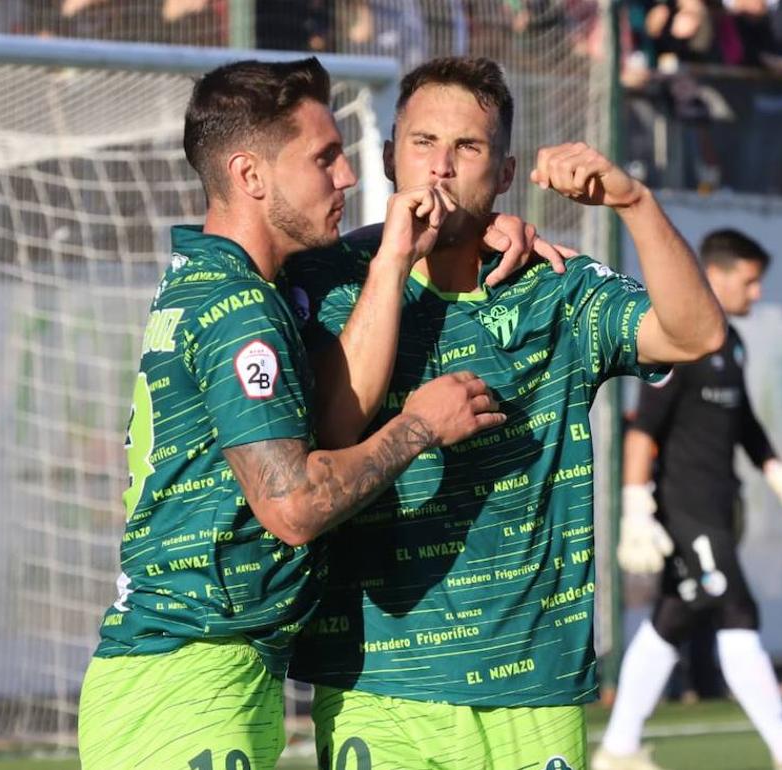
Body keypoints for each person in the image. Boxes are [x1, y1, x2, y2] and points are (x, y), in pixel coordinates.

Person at [286, 56, 727, 770]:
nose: (440, 169)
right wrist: (393, 260)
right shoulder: (327, 285)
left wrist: (634, 203)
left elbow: (695, 333)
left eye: (468, 148)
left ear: (505, 171)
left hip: (533, 688)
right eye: (423, 143)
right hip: (381, 683)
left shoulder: (559, 289)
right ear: (393, 151)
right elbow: (335, 428)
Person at [76, 58, 511, 770]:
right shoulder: (242, 310)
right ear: (251, 176)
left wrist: (468, 227)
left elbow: (339, 415)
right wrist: (420, 427)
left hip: (200, 674)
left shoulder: (225, 282)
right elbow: (293, 504)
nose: (346, 176)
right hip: (185, 685)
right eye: (324, 157)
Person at [594, 229, 782, 770]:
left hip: (718, 507)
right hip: (685, 510)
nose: (757, 294)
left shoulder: (730, 342)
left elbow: (746, 424)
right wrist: (636, 508)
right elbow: (643, 430)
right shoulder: (679, 342)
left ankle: (617, 750)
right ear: (719, 275)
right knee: (736, 607)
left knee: (675, 617)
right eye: (750, 283)